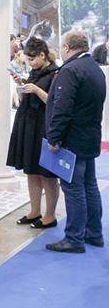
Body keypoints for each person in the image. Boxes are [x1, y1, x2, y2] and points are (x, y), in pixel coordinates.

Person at [43, 31, 107, 253]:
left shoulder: (70, 70)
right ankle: (94, 233)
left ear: (67, 48)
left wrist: (54, 137)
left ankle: (74, 238)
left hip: (72, 140)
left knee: (73, 188)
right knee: (89, 185)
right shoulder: (94, 68)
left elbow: (63, 107)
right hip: (89, 136)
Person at [7, 37, 60, 230]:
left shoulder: (55, 74)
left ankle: (50, 215)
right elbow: (25, 100)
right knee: (31, 171)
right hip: (28, 124)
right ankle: (34, 211)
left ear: (42, 55)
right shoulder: (34, 72)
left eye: (32, 59)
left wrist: (36, 90)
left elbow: (54, 102)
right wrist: (21, 86)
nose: (29, 63)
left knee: (47, 174)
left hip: (43, 127)